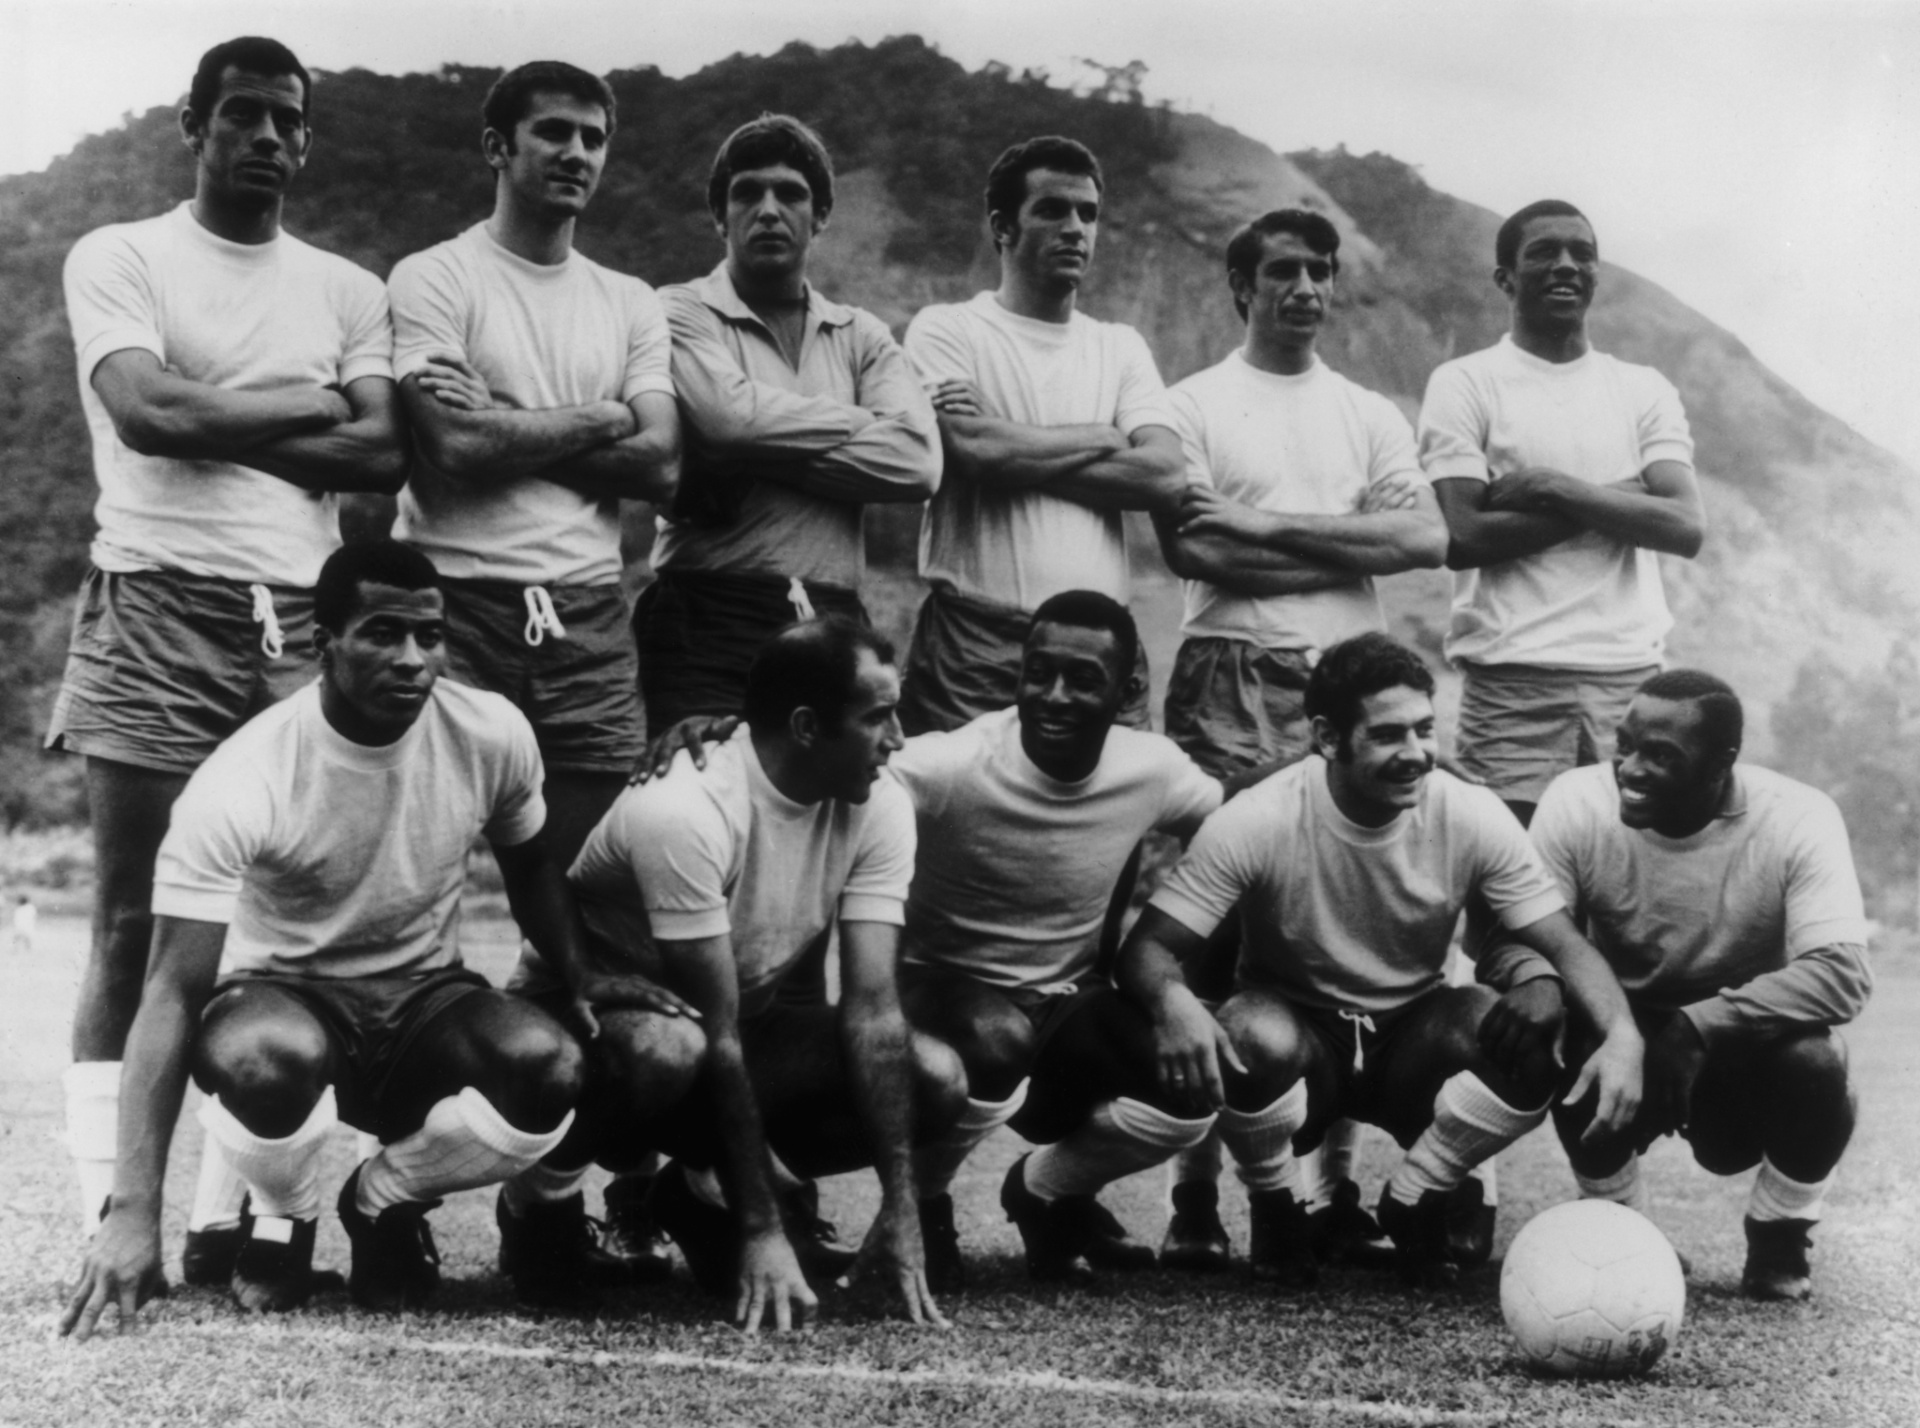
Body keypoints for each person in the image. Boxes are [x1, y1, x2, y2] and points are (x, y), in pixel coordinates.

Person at [59, 541, 689, 1339]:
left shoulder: (490, 730)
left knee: (549, 1063)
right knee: (265, 1056)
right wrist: (132, 1209)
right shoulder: (244, 774)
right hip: (287, 999)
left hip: (426, 1000)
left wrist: (581, 970)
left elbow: (532, 868)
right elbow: (172, 991)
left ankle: (383, 1197)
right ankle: (284, 1215)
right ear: (324, 645)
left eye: (431, 636)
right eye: (383, 634)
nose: (413, 659)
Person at [50, 36, 406, 1270]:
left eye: (286, 119)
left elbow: (379, 456)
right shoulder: (122, 254)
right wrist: (309, 405)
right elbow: (147, 413)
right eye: (242, 113)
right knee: (131, 922)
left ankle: (242, 1210)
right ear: (194, 125)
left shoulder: (347, 289)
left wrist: (219, 416)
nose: (265, 135)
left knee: (284, 930)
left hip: (295, 618)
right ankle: (113, 1215)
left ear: (306, 140)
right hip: (154, 604)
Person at [387, 60, 681, 1275]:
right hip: (456, 603)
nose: (575, 153)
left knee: (585, 904)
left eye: (593, 136)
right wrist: (597, 420)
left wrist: (523, 425)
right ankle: (386, 1191)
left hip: (587, 612)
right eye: (551, 132)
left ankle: (544, 1196)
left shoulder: (628, 301)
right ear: (497, 144)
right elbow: (451, 450)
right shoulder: (435, 277)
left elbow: (661, 464)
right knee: (414, 885)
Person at [1100, 633, 1644, 1289]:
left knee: (1531, 1037)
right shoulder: (1260, 815)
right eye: (1388, 735)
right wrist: (1174, 1002)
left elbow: (1565, 944)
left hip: (1410, 1036)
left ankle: (1418, 1193)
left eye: (1424, 729)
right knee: (1242, 1033)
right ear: (1328, 737)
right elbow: (1148, 948)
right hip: (1300, 1038)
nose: (1415, 753)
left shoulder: (1468, 811)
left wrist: (1622, 1035)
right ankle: (1276, 1204)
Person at [1152, 207, 1449, 1271]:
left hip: (1349, 674)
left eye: (1321, 270)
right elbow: (1194, 547)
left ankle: (1332, 1191)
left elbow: (1423, 535)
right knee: (1217, 929)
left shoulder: (1366, 412)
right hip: (1228, 671)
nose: (1306, 288)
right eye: (1283, 270)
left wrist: (1265, 526)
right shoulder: (1189, 403)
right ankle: (1195, 1196)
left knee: (1342, 916)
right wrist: (1344, 544)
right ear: (1242, 286)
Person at [540, 617, 964, 1331]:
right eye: (878, 717)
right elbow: (716, 1031)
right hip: (593, 1034)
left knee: (936, 1077)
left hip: (726, 1033)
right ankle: (536, 1207)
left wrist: (902, 1205)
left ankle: (699, 1196)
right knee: (668, 1048)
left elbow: (873, 1007)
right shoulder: (685, 806)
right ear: (805, 727)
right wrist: (765, 1227)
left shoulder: (879, 798)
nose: (897, 739)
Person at [887, 591, 1244, 1289]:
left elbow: (1244, 823)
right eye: (1038, 673)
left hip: (1063, 1001)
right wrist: (726, 740)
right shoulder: (953, 764)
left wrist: (1174, 990)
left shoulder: (1151, 769)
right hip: (939, 993)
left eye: (1082, 680)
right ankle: (922, 1206)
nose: (1053, 696)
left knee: (1193, 1083)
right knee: (997, 1038)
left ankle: (1046, 1192)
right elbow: (838, 769)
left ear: (1127, 691)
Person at [1497, 669, 1872, 1300]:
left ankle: (1780, 1232)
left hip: (1739, 1039)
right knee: (1557, 1029)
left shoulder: (1797, 816)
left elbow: (1843, 973)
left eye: (1661, 755)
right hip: (1622, 1030)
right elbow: (1525, 933)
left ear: (1721, 764)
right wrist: (1544, 982)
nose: (1630, 769)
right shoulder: (1577, 801)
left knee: (1818, 1063)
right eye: (1625, 745)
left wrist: (1700, 1025)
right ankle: (1623, 1227)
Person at [637, 114, 940, 731]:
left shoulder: (860, 334)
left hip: (832, 616)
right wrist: (862, 421)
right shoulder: (679, 309)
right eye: (747, 193)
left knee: (835, 789)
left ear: (820, 215)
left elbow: (916, 462)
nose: (769, 211)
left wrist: (748, 452)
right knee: (703, 782)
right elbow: (727, 420)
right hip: (707, 612)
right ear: (720, 214)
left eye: (791, 194)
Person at [1418, 199, 1706, 830]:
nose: (1567, 265)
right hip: (1511, 682)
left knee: (1625, 867)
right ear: (1505, 277)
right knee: (1509, 868)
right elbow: (1464, 536)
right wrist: (1624, 501)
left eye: (1583, 253)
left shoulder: (1642, 389)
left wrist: (1553, 487)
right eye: (1544, 252)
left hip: (1629, 682)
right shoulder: (1465, 382)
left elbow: (1685, 526)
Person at [899, 136, 1183, 734]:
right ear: (1003, 226)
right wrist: (1105, 436)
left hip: (1102, 646)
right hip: (975, 645)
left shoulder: (1120, 346)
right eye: (1052, 210)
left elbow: (1163, 475)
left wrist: (1009, 442)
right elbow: (975, 451)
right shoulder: (948, 329)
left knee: (1111, 796)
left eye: (1088, 213)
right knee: (955, 792)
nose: (1075, 228)